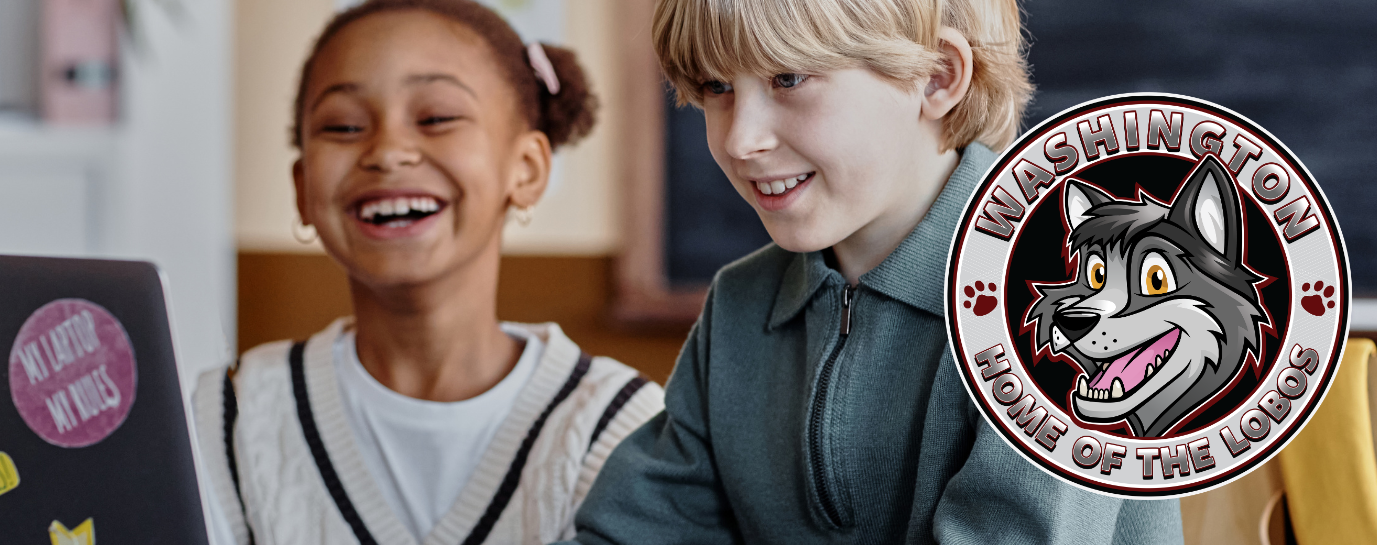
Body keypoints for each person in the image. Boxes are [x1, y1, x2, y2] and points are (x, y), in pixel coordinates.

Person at [561, 0, 1183, 543]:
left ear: (937, 76)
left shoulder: (1068, 306)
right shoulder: (741, 307)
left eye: (788, 77)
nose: (739, 140)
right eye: (716, 88)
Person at [192, 1, 663, 544]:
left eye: (437, 117)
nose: (388, 152)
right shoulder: (229, 419)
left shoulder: (615, 427)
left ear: (527, 169)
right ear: (301, 189)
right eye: (343, 126)